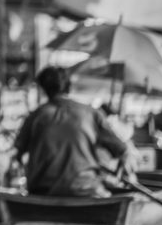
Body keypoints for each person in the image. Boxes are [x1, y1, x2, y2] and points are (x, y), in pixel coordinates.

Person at [13, 66, 133, 197]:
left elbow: (16, 154)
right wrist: (123, 167)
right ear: (69, 86)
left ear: (42, 89)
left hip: (43, 192)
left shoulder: (36, 116)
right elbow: (123, 151)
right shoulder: (91, 113)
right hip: (87, 189)